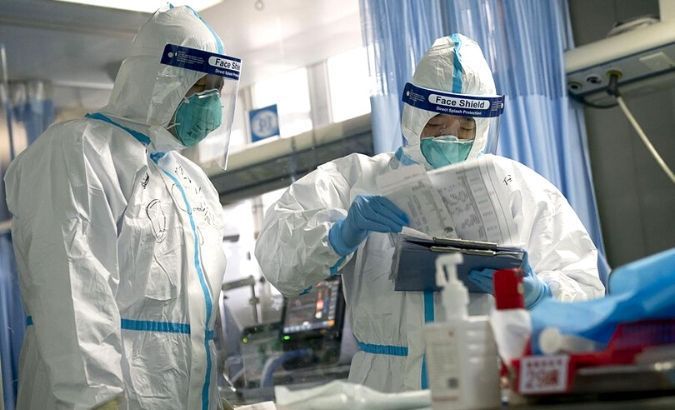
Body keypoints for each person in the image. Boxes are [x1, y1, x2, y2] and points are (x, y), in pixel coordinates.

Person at [255, 34, 604, 393]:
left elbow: (587, 292)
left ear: (482, 127)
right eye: (437, 124)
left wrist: (541, 294)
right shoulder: (355, 180)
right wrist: (340, 233)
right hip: (386, 390)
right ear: (414, 115)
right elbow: (277, 257)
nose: (450, 137)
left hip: (487, 380)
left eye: (465, 126)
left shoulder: (521, 190)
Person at [4, 6, 241, 409]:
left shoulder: (191, 181)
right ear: (160, 81)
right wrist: (98, 400)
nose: (212, 103)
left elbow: (191, 321)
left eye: (218, 90)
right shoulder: (80, 151)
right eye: (201, 87)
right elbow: (73, 288)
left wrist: (213, 396)